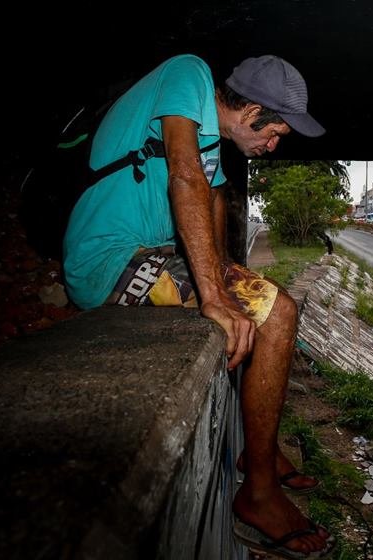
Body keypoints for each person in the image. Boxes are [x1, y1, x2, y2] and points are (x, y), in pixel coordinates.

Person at [63, 54, 333, 558]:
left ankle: (261, 451)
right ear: (251, 110)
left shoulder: (211, 136)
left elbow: (209, 198)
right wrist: (214, 296)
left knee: (272, 303)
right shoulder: (188, 75)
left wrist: (229, 275)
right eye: (274, 133)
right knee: (275, 313)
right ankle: (257, 494)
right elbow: (184, 174)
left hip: (153, 255)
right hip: (109, 261)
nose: (272, 146)